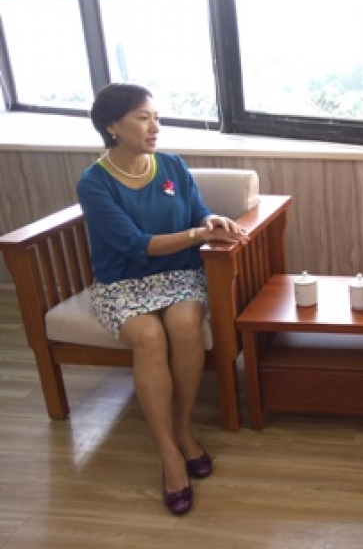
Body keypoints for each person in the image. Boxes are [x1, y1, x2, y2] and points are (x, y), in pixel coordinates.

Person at [77, 83, 249, 516]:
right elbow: (135, 244)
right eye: (142, 118)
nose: (155, 127)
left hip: (179, 274)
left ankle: (183, 429)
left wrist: (211, 220)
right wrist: (196, 234)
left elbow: (198, 213)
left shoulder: (172, 165)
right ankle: (169, 453)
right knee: (149, 337)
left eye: (156, 117)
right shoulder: (94, 183)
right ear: (112, 126)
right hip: (123, 281)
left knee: (185, 324)